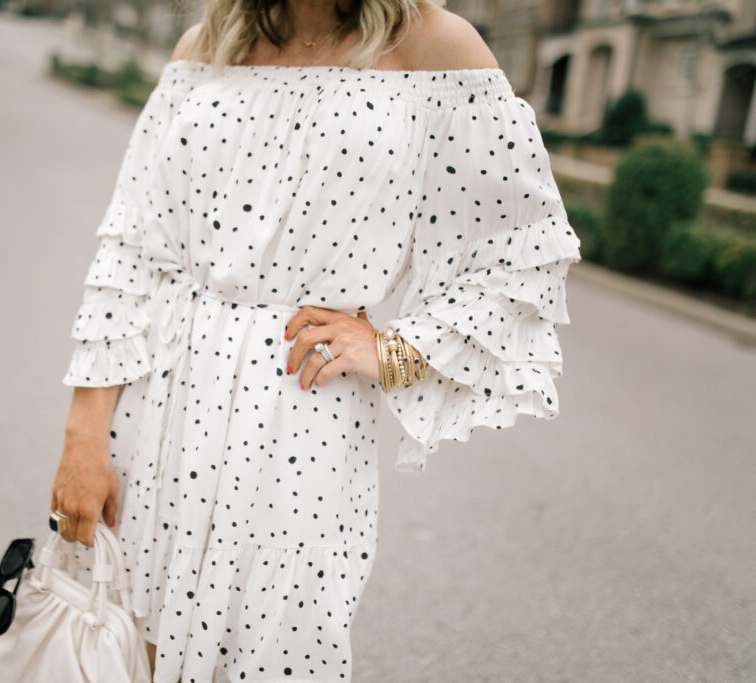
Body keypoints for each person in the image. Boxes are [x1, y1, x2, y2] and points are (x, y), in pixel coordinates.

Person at [51, 0, 583, 681]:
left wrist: (399, 349)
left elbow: (521, 247)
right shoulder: (205, 45)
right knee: (128, 643)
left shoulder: (431, 47)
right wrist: (83, 436)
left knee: (276, 649)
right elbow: (132, 250)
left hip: (303, 413)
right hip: (160, 398)